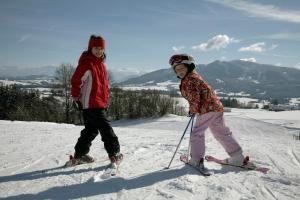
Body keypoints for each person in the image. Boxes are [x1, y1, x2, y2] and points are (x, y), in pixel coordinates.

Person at [169, 54, 247, 169]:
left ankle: (196, 160)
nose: (179, 71)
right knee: (221, 132)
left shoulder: (189, 79)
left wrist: (193, 109)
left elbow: (195, 96)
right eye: (177, 70)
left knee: (197, 133)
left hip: (206, 109)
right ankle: (237, 157)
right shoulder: (194, 76)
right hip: (216, 107)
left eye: (182, 68)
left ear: (189, 66)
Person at [69, 35, 123, 166]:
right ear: (90, 48)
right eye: (96, 48)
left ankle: (80, 154)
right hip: (91, 104)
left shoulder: (101, 65)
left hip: (98, 104)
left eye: (101, 48)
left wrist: (105, 102)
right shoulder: (87, 64)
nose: (99, 51)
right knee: (106, 129)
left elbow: (104, 87)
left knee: (90, 130)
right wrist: (76, 97)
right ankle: (114, 154)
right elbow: (76, 81)